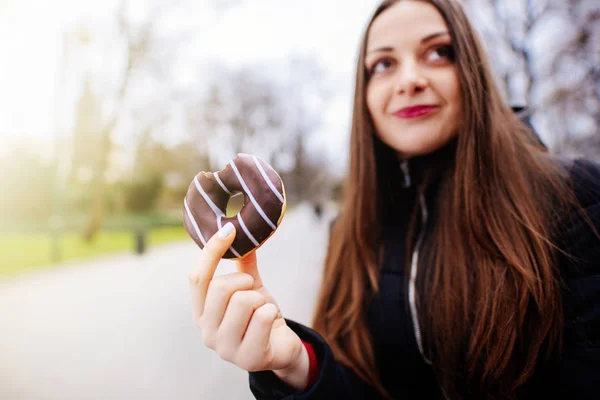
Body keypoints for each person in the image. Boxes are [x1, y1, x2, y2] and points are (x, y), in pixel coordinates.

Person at [187, 0, 600, 398]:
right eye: (383, 64)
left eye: (439, 52)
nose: (409, 80)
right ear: (363, 94)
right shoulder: (349, 230)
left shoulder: (575, 201)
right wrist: (298, 365)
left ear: (473, 71)